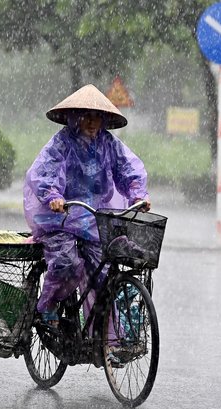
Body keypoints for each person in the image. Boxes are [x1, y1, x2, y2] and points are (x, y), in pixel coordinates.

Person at [23, 84, 150, 328]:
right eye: (86, 117)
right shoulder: (62, 142)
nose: (92, 123)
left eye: (97, 117)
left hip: (93, 219)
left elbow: (128, 168)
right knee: (66, 263)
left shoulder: (109, 144)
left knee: (103, 277)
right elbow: (44, 170)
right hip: (61, 216)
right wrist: (52, 196)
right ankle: (47, 304)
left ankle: (103, 339)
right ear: (75, 118)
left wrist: (137, 196)